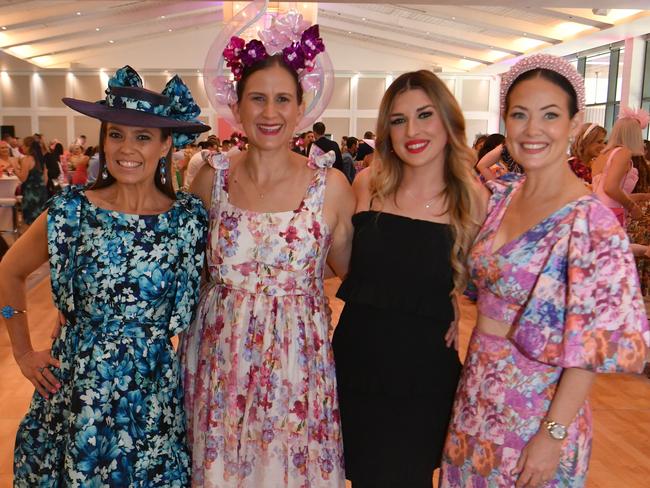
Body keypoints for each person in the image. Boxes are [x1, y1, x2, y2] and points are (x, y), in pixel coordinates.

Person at [440, 54, 649, 488]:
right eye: (520, 115)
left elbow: (591, 347)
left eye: (550, 115)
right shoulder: (502, 198)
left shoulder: (590, 223)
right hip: (476, 399)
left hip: (539, 411)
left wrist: (553, 435)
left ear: (574, 124)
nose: (532, 129)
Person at [0, 65, 210, 485]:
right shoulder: (72, 210)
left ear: (167, 144)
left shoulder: (188, 219)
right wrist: (23, 352)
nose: (126, 148)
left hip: (151, 394)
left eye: (143, 136)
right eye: (116, 134)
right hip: (77, 389)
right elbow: (8, 271)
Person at [180, 15, 354, 486]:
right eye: (257, 98)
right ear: (237, 105)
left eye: (283, 99)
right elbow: (186, 271)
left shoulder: (331, 187)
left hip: (298, 364)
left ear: (302, 108)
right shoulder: (208, 179)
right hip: (220, 358)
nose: (270, 112)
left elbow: (354, 274)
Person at [333, 70, 487, 488]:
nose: (412, 131)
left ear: (447, 121)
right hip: (357, 362)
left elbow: (490, 283)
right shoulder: (368, 185)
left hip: (423, 373)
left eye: (424, 115)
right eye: (399, 120)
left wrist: (455, 301)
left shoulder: (473, 200)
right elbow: (350, 270)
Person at [592, 109, 649, 228]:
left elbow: (604, 192)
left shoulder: (602, 155)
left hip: (595, 212)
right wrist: (632, 207)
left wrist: (641, 197)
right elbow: (610, 188)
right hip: (610, 215)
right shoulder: (623, 153)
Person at [12, 136, 48, 225]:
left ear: (29, 147)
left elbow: (23, 178)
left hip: (31, 194)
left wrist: (14, 168)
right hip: (42, 193)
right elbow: (45, 179)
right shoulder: (41, 159)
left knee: (30, 222)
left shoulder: (27, 159)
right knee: (40, 222)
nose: (22, 147)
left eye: (23, 145)